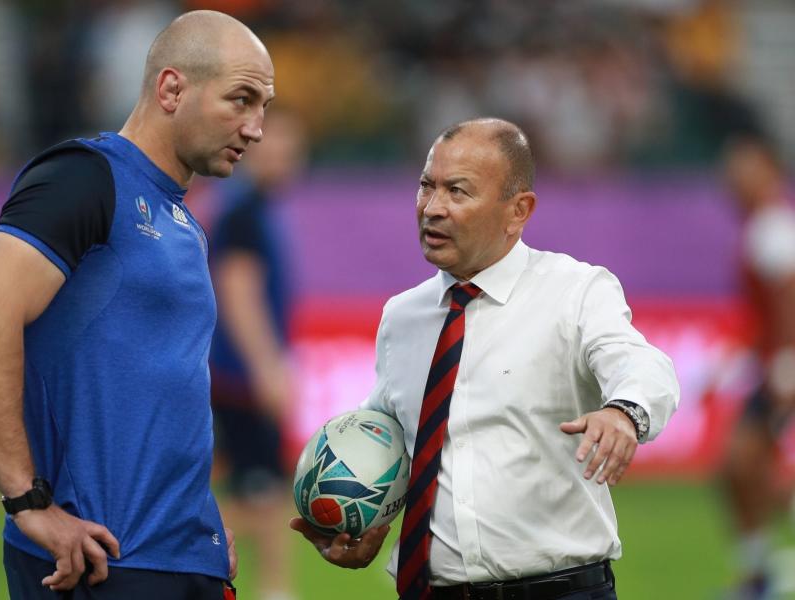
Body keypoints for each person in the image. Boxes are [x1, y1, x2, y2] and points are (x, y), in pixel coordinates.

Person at [0, 10, 274, 599]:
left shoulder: (184, 222)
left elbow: (157, 399)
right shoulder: (84, 178)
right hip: (102, 563)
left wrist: (195, 522)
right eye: (241, 100)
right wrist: (28, 503)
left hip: (182, 557)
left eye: (263, 108)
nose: (255, 128)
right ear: (172, 87)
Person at [291, 118, 679, 599]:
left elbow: (644, 365)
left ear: (518, 211)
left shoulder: (574, 291)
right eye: (426, 186)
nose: (433, 208)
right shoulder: (402, 318)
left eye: (457, 191)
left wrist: (624, 412)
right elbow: (392, 439)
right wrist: (366, 524)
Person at [209, 110, 305, 600]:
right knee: (261, 489)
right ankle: (168, 549)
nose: (285, 163)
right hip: (238, 375)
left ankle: (275, 587)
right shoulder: (243, 211)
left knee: (265, 488)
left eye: (292, 153)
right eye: (275, 151)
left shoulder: (256, 208)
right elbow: (238, 292)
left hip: (240, 373)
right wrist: (268, 367)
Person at [721, 136, 795, 600]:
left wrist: (786, 360)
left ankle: (760, 572)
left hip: (784, 369)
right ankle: (760, 571)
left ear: (769, 171)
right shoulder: (763, 226)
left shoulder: (773, 226)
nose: (734, 183)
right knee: (743, 466)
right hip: (774, 365)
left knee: (743, 464)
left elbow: (788, 296)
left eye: (744, 171)